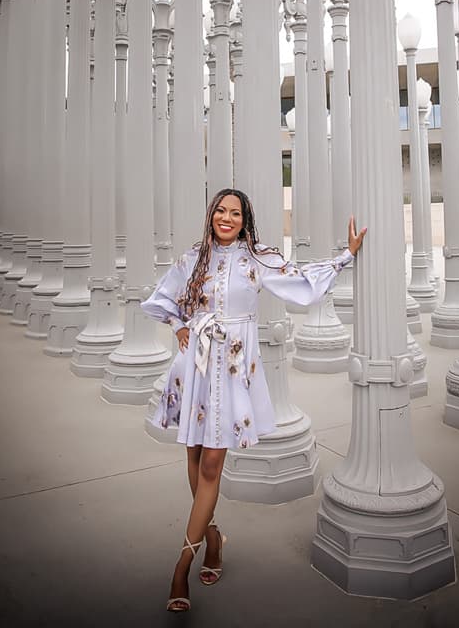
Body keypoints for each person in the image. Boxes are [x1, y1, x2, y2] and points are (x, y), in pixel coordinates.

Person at [142, 188, 366, 613]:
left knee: (212, 462)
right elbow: (163, 299)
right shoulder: (194, 257)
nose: (227, 218)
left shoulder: (257, 258)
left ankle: (181, 564)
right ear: (211, 215)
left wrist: (346, 256)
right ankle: (212, 538)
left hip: (232, 369)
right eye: (221, 211)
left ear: (245, 220)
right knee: (193, 456)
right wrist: (178, 326)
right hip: (196, 365)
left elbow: (302, 280)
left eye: (236, 213)